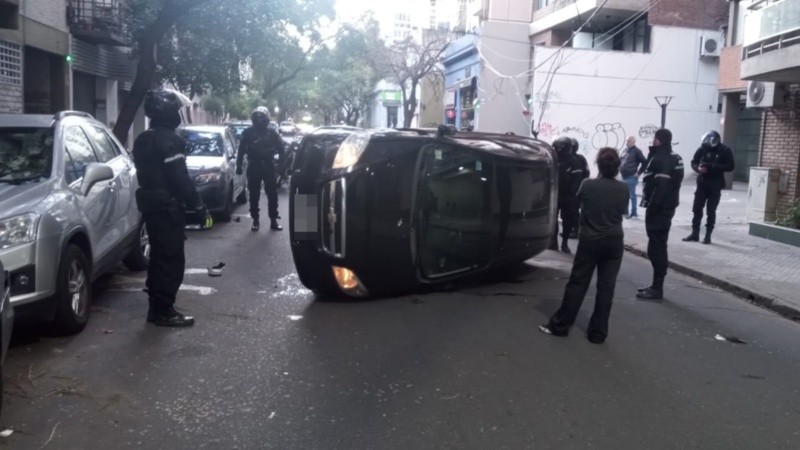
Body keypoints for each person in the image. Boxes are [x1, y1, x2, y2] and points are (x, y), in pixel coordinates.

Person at [133, 89, 209, 327]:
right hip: (167, 208)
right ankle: (163, 310)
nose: (178, 114)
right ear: (166, 111)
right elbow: (180, 179)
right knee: (171, 260)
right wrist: (199, 206)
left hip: (152, 207)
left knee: (158, 258)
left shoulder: (143, 139)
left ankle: (156, 308)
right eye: (175, 109)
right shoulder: (169, 140)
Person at [539, 147, 629, 344]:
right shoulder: (624, 188)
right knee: (606, 288)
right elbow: (622, 210)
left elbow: (577, 203)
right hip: (614, 242)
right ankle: (598, 333)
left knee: (578, 283)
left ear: (598, 164)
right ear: (617, 167)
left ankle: (561, 325)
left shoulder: (587, 185)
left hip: (590, 240)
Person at [636, 128, 684, 301]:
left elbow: (661, 186)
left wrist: (653, 207)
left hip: (659, 209)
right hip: (667, 207)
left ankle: (657, 288)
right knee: (658, 245)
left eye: (654, 139)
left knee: (656, 247)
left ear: (658, 140)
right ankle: (656, 286)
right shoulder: (675, 157)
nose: (652, 141)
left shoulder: (662, 158)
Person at [236, 107, 285, 231]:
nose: (258, 122)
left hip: (268, 166)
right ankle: (255, 220)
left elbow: (281, 150)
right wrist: (238, 165)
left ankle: (273, 220)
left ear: (266, 120)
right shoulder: (247, 133)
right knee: (254, 195)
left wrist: (281, 167)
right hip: (254, 166)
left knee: (272, 195)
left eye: (261, 119)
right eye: (256, 119)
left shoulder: (272, 133)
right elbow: (241, 150)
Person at [683, 131, 735, 244]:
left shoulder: (725, 150)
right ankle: (695, 233)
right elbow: (694, 162)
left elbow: (730, 166)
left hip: (715, 184)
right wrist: (698, 169)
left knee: (711, 211)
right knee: (697, 208)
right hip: (702, 183)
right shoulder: (702, 149)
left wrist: (713, 166)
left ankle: (708, 235)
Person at [549, 137, 579, 254]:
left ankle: (564, 243)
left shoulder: (574, 161)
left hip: (568, 196)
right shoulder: (554, 160)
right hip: (556, 194)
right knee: (553, 219)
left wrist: (572, 195)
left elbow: (576, 180)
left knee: (567, 221)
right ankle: (554, 242)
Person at [620, 136, 647, 218]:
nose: (627, 142)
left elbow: (645, 162)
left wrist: (638, 173)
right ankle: (625, 212)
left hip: (631, 176)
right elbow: (620, 160)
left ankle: (634, 213)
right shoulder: (625, 150)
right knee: (624, 195)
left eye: (629, 141)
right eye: (627, 141)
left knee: (632, 195)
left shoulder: (637, 151)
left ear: (633, 142)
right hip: (623, 176)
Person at [568, 137, 590, 238]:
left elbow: (586, 173)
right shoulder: (581, 158)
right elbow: (587, 173)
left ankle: (576, 230)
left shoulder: (575, 159)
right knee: (572, 211)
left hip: (574, 190)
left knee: (574, 211)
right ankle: (571, 229)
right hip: (575, 189)